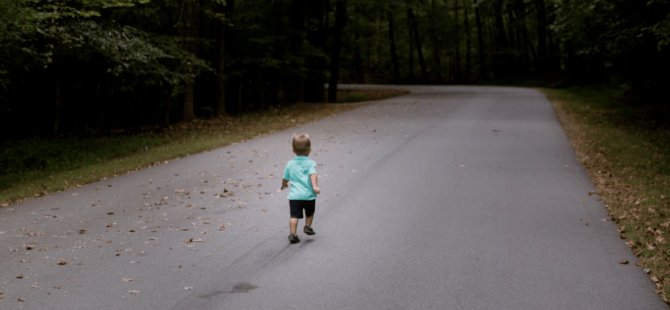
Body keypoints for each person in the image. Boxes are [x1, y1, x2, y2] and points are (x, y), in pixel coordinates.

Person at [281, 133, 320, 243]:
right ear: (310, 149)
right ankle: (307, 226)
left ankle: (293, 234)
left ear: (293, 150)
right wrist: (315, 186)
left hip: (295, 197)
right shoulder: (311, 163)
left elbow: (285, 177)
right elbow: (313, 174)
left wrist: (284, 184)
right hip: (308, 196)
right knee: (310, 213)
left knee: (294, 216)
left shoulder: (290, 164)